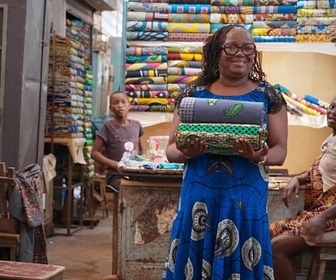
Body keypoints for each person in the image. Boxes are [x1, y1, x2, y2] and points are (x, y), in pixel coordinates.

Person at [162, 25, 288, 280]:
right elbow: (171, 151)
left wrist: (258, 156)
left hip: (244, 204)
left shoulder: (269, 96)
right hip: (200, 200)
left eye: (247, 47)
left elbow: (280, 151)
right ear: (215, 51)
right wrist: (188, 152)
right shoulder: (192, 95)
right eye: (231, 46)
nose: (240, 53)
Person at [270, 96, 336, 280]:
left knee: (276, 248)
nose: (334, 112)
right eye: (332, 106)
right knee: (268, 232)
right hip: (322, 212)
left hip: (330, 216)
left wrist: (322, 218)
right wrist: (297, 179)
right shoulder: (332, 138)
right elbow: (323, 171)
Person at [91, 91, 146, 191]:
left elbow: (144, 151)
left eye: (123, 102)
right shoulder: (108, 127)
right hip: (116, 175)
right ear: (110, 108)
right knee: (128, 188)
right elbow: (94, 153)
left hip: (135, 174)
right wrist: (115, 165)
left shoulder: (136, 125)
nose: (120, 106)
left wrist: (142, 162)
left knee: (145, 188)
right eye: (115, 103)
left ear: (129, 105)